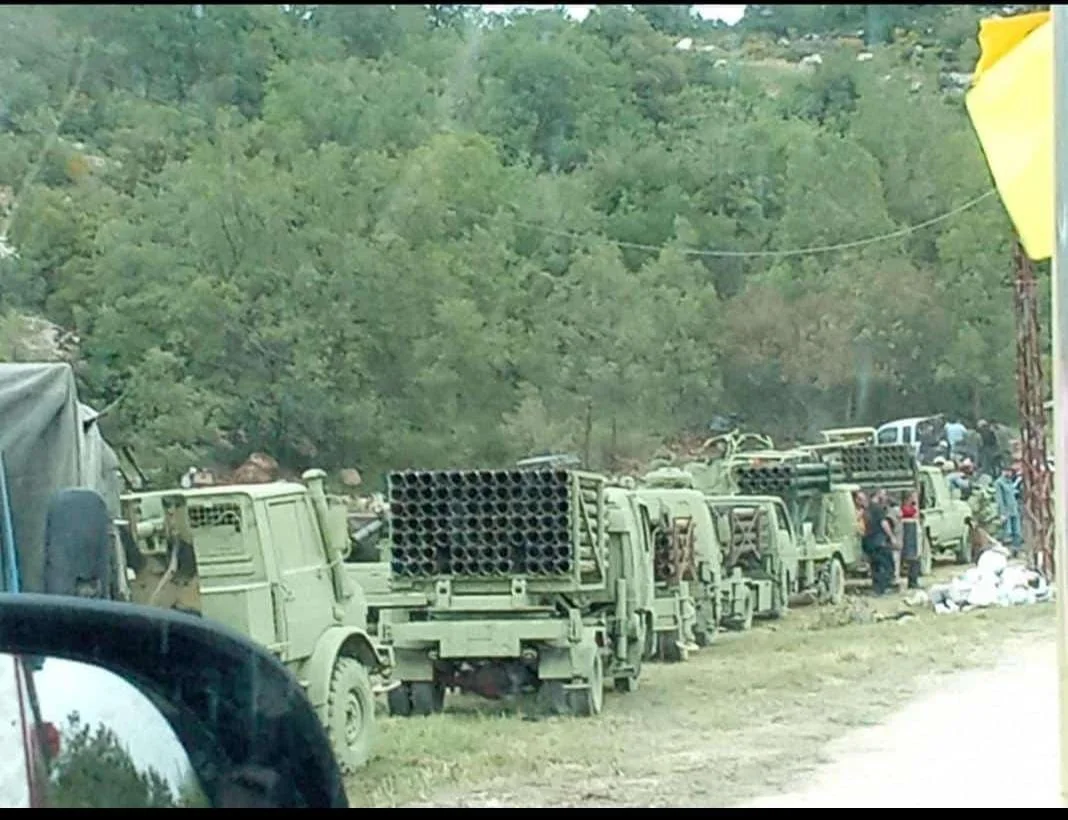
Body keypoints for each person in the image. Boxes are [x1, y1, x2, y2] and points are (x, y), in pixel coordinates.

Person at [862, 489, 896, 596]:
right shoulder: (878, 508)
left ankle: (877, 588)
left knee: (875, 565)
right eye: (884, 495)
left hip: (869, 541)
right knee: (886, 565)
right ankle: (883, 588)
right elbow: (883, 523)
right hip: (879, 541)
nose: (885, 497)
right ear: (878, 495)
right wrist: (891, 536)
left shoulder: (867, 509)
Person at [994, 464, 1023, 558]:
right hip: (1006, 512)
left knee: (1017, 532)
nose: (1009, 473)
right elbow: (999, 499)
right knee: (1007, 533)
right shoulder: (999, 483)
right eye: (1007, 471)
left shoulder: (1010, 482)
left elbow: (1013, 493)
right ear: (1003, 471)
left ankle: (1016, 551)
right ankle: (1005, 553)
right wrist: (1002, 513)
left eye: (1010, 471)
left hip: (1014, 510)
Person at [899, 492, 922, 590]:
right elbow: (913, 514)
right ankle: (912, 581)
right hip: (909, 535)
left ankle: (913, 581)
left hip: (913, 535)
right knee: (913, 560)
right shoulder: (905, 509)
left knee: (915, 560)